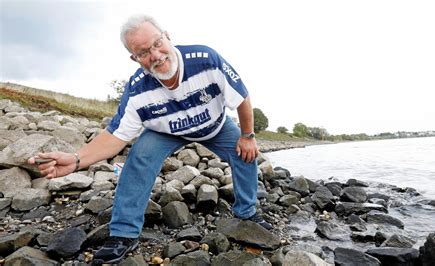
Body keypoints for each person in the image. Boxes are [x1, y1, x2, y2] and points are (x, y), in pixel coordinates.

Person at [28, 14, 272, 264]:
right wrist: (77, 159)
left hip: (215, 126)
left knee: (246, 154)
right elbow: (115, 136)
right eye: (144, 52)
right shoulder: (137, 91)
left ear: (167, 36)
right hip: (166, 131)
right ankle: (123, 233)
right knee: (139, 158)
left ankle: (247, 213)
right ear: (134, 58)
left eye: (157, 43)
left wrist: (247, 135)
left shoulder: (206, 60)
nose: (155, 55)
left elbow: (242, 98)